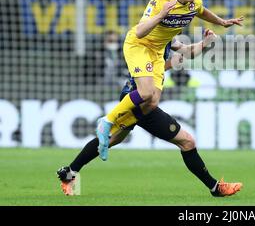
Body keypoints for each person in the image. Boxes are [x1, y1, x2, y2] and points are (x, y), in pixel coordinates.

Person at [57, 31, 242, 197]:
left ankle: (69, 173)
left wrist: (205, 42)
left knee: (112, 139)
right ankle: (215, 188)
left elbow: (187, 51)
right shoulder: (150, 38)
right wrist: (172, 62)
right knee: (187, 142)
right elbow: (152, 67)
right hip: (141, 101)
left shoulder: (167, 38)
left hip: (136, 97)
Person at [95, 0, 244, 162]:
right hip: (139, 45)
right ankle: (106, 121)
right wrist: (161, 15)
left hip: (156, 53)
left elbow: (201, 12)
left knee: (151, 103)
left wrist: (221, 22)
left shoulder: (191, 7)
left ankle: (106, 141)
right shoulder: (161, 0)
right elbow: (139, 32)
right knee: (146, 94)